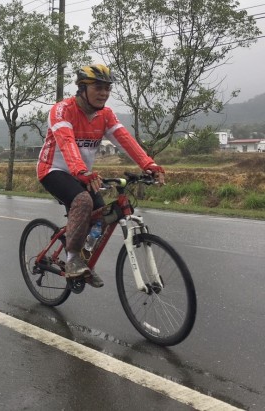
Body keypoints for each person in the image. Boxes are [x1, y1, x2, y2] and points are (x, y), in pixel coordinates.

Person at [36, 64, 165, 288]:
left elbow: (124, 139)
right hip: (53, 169)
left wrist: (149, 164)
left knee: (105, 215)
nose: (104, 93)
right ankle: (73, 258)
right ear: (82, 88)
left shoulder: (105, 115)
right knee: (83, 200)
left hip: (82, 174)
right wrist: (81, 171)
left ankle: (84, 260)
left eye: (107, 88)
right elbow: (66, 141)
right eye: (98, 87)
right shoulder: (62, 110)